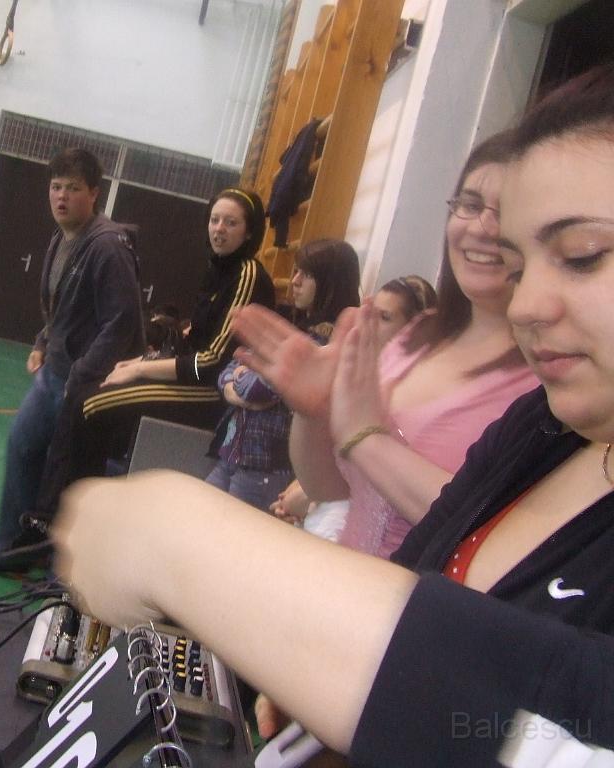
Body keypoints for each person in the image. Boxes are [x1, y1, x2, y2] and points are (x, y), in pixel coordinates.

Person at [52, 63, 614, 766]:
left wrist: (178, 539)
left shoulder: (539, 392)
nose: (529, 302)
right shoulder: (544, 423)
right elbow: (403, 553)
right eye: (521, 264)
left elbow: (560, 712)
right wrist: (318, 654)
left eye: (583, 256)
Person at [239, 131, 539, 559]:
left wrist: (365, 437)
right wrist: (313, 413)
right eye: (470, 205)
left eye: (506, 211)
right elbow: (331, 487)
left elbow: (496, 531)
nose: (481, 228)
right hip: (346, 576)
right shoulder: (418, 334)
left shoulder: (549, 376)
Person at [6, 187, 277, 567]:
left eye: (231, 223)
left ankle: (58, 527)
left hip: (212, 393)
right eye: (215, 220)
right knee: (86, 392)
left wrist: (139, 368)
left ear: (248, 232)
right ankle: (58, 523)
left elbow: (212, 363)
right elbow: (195, 341)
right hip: (194, 379)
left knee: (90, 404)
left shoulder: (246, 274)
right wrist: (145, 358)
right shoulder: (218, 270)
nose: (219, 229)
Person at [0, 148, 144, 574]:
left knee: (67, 472)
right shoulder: (62, 239)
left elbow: (122, 322)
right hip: (55, 371)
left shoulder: (107, 247)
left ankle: (51, 560)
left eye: (73, 188)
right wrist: (42, 341)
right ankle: (12, 546)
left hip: (81, 381)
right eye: (56, 187)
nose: (61, 196)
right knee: (23, 445)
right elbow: (61, 305)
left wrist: (84, 374)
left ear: (94, 193)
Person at [272, 275, 437, 539]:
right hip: (321, 507)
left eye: (384, 317)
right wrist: (302, 489)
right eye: (368, 313)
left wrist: (307, 497)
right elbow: (326, 451)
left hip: (353, 524)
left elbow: (373, 475)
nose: (368, 323)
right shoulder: (356, 371)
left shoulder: (413, 394)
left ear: (414, 329)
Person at [204, 239, 360, 511]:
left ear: (331, 282)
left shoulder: (328, 342)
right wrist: (234, 386)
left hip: (266, 467)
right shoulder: (294, 324)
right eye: (296, 271)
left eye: (306, 275)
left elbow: (258, 389)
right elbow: (229, 368)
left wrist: (238, 381)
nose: (295, 281)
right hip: (233, 453)